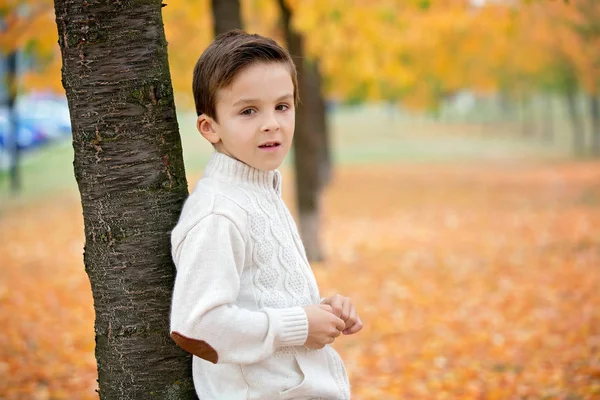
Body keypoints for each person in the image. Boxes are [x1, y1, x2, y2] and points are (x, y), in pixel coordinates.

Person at [169, 29, 363, 399]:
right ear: (210, 127)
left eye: (282, 106)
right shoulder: (218, 213)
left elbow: (263, 299)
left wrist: (322, 312)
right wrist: (298, 325)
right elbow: (198, 326)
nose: (271, 123)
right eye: (248, 111)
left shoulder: (259, 190)